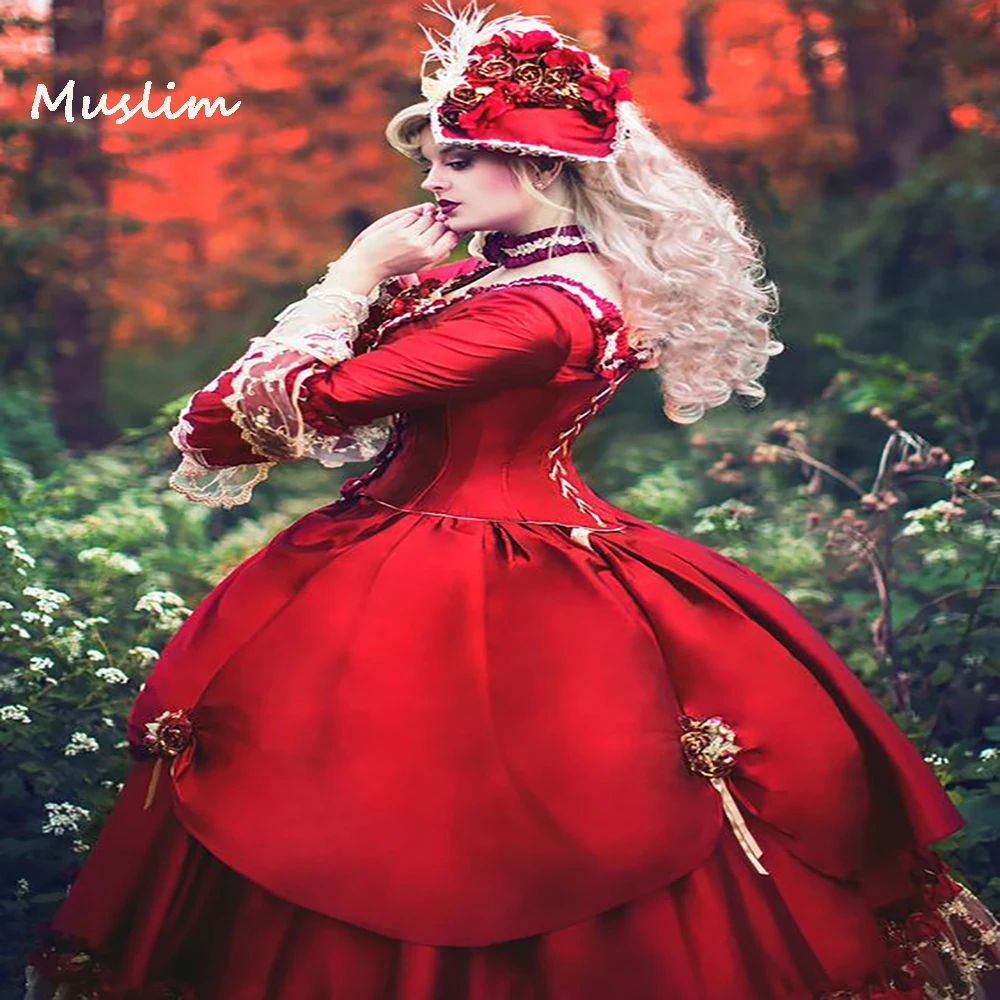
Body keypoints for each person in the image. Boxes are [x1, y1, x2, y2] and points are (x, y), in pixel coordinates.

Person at [24, 3, 1000, 998]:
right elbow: (237, 416)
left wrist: (357, 269)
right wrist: (367, 290)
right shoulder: (486, 284)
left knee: (487, 814)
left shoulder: (541, 312)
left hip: (481, 571)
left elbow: (282, 408)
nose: (431, 182)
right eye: (432, 162)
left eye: (454, 160)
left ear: (536, 168)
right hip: (421, 546)